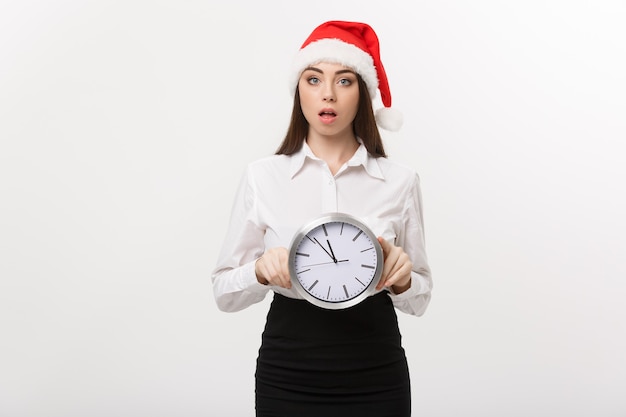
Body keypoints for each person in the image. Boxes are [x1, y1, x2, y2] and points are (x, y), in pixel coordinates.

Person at [211, 20, 433, 417]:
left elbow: (420, 299)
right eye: (314, 79)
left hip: (377, 373)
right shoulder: (264, 176)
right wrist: (259, 270)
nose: (327, 94)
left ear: (363, 93)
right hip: (288, 373)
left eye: (344, 81)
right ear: (299, 89)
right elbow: (224, 293)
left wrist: (403, 280)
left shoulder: (400, 181)